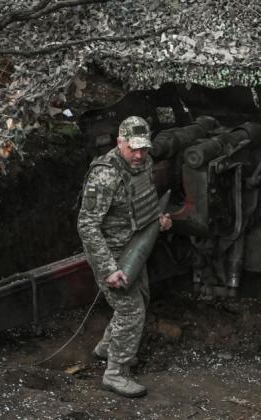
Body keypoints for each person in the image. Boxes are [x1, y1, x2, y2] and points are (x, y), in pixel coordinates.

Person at [76, 116, 172, 398]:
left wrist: (159, 219)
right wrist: (107, 269)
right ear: (120, 143)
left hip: (134, 248)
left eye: (144, 148)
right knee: (131, 311)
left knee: (139, 298)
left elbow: (143, 200)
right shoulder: (105, 175)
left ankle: (107, 348)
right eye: (133, 148)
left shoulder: (143, 163)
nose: (140, 154)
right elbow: (87, 225)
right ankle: (116, 374)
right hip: (111, 254)